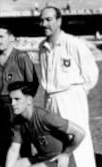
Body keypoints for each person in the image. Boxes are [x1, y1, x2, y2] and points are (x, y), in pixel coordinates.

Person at [39, 6, 99, 167]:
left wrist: (77, 93)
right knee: (57, 143)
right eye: (42, 20)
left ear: (59, 21)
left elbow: (91, 74)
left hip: (71, 98)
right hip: (51, 98)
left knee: (78, 142)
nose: (44, 24)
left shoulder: (73, 43)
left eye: (48, 19)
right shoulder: (42, 47)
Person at [0, 24, 39, 164]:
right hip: (1, 108)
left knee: (23, 146)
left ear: (11, 38)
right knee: (3, 146)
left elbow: (32, 83)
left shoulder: (21, 56)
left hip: (18, 107)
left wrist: (24, 105)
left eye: (1, 36)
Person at [6, 81, 85, 167]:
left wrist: (66, 154)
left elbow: (80, 133)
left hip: (58, 161)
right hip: (42, 158)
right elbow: (14, 149)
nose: (12, 104)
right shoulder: (18, 121)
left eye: (17, 99)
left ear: (29, 101)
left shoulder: (46, 117)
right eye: (11, 100)